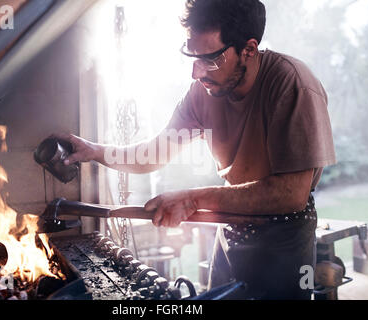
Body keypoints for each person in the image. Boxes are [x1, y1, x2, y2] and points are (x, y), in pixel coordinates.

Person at [53, 0, 336, 299]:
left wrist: (192, 198)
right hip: (230, 226)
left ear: (249, 50)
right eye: (192, 56)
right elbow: (154, 152)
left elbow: (290, 195)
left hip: (284, 237)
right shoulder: (204, 91)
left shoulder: (291, 83)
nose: (196, 72)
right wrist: (95, 151)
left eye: (209, 59)